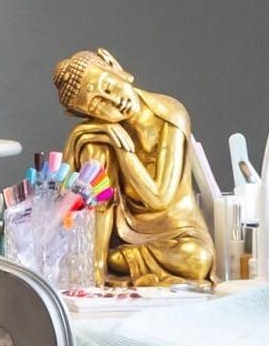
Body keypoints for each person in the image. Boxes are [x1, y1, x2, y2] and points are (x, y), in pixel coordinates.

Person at [53, 49, 216, 285]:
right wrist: (77, 136)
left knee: (197, 259)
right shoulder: (99, 138)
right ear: (82, 114)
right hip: (120, 236)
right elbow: (65, 200)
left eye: (108, 86)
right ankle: (98, 265)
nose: (114, 101)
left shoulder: (170, 114)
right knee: (96, 148)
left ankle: (108, 262)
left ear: (113, 65)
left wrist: (124, 149)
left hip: (175, 233)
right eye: (98, 104)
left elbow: (159, 198)